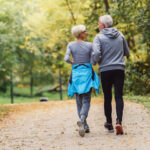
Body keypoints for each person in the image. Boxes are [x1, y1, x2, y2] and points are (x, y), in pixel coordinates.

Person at [93, 15, 129, 135]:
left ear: (103, 25)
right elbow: (127, 52)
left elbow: (97, 53)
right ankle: (119, 121)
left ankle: (109, 123)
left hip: (105, 70)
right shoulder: (121, 35)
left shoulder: (99, 37)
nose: (98, 25)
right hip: (119, 68)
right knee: (118, 96)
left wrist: (97, 61)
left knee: (107, 97)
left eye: (99, 23)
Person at [64, 25, 100, 137]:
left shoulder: (70, 45)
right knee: (86, 99)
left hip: (76, 74)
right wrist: (92, 60)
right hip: (87, 74)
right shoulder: (90, 45)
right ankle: (83, 119)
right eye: (85, 31)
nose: (87, 32)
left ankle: (83, 123)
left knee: (78, 99)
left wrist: (72, 63)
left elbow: (66, 59)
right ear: (81, 33)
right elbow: (94, 60)